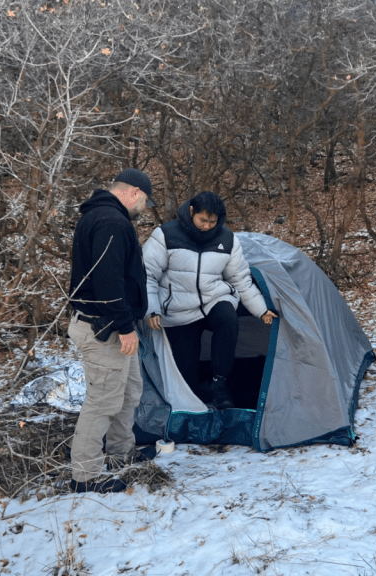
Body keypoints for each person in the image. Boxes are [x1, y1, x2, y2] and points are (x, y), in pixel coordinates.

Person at [66, 168, 158, 493]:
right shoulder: (111, 222)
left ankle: (120, 454)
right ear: (133, 192)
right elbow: (107, 283)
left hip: (114, 326)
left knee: (129, 391)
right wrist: (124, 326)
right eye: (145, 201)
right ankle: (85, 476)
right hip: (104, 329)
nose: (144, 208)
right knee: (103, 401)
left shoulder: (105, 217)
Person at [143, 191, 277, 409]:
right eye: (202, 220)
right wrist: (152, 309)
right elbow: (147, 273)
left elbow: (240, 279)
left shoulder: (227, 239)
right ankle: (195, 393)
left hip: (214, 299)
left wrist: (261, 309)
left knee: (228, 317)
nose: (206, 226)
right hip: (179, 307)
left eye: (212, 222)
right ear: (191, 211)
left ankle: (219, 383)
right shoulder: (166, 235)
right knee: (186, 373)